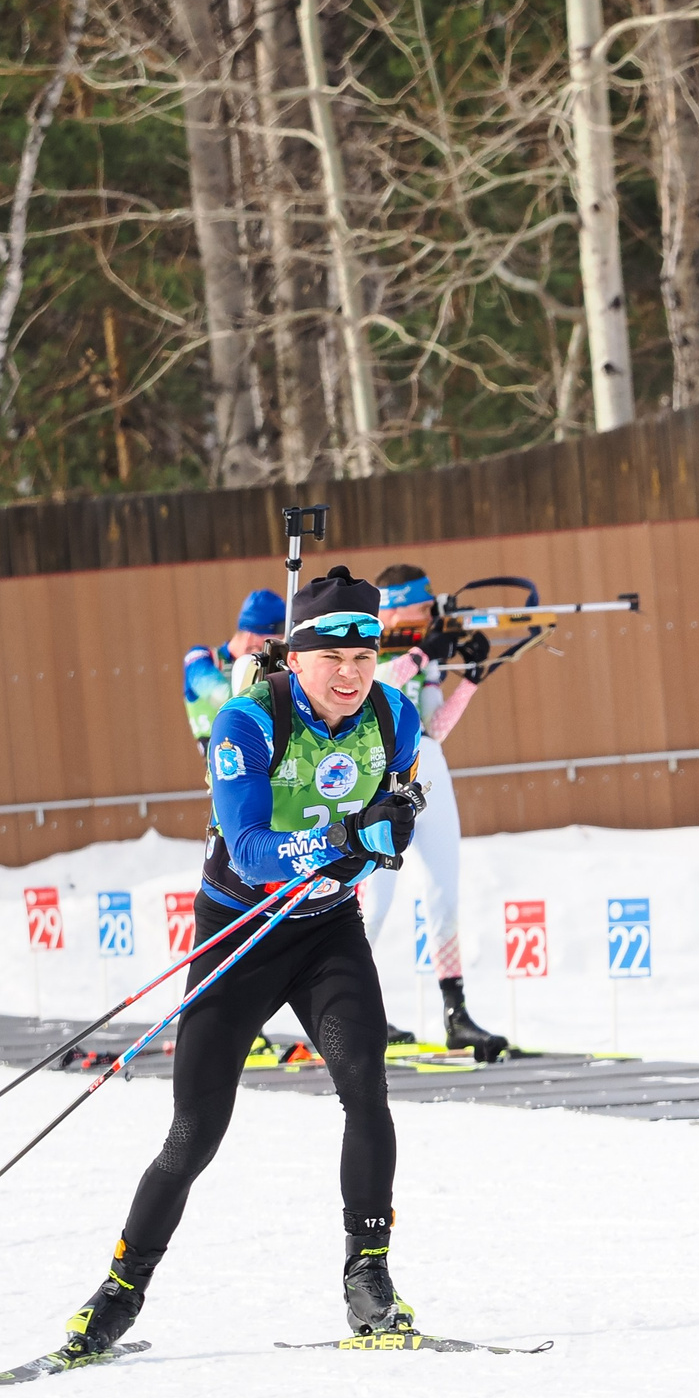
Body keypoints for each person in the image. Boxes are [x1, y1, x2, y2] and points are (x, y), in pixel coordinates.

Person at [60, 565, 427, 1355]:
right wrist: (342, 839)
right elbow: (254, 849)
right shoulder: (247, 723)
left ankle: (369, 1278)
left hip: (327, 931)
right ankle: (120, 1289)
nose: (350, 674)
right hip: (240, 930)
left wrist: (388, 830)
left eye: (364, 658)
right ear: (295, 658)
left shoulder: (397, 716)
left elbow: (392, 826)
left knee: (366, 1084)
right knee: (195, 1132)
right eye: (332, 657)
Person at [364, 564, 506, 1057]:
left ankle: (455, 1011)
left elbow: (434, 726)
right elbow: (374, 687)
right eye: (423, 607)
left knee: (445, 891)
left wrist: (470, 680)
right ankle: (355, 1009)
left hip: (429, 764)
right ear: (397, 606)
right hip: (380, 771)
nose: (430, 614)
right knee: (374, 904)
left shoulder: (421, 651)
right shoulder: (369, 641)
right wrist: (426, 651)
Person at [181, 588, 284, 756]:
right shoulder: (203, 659)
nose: (277, 645)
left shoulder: (273, 663)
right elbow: (227, 699)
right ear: (251, 636)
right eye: (274, 639)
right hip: (224, 761)